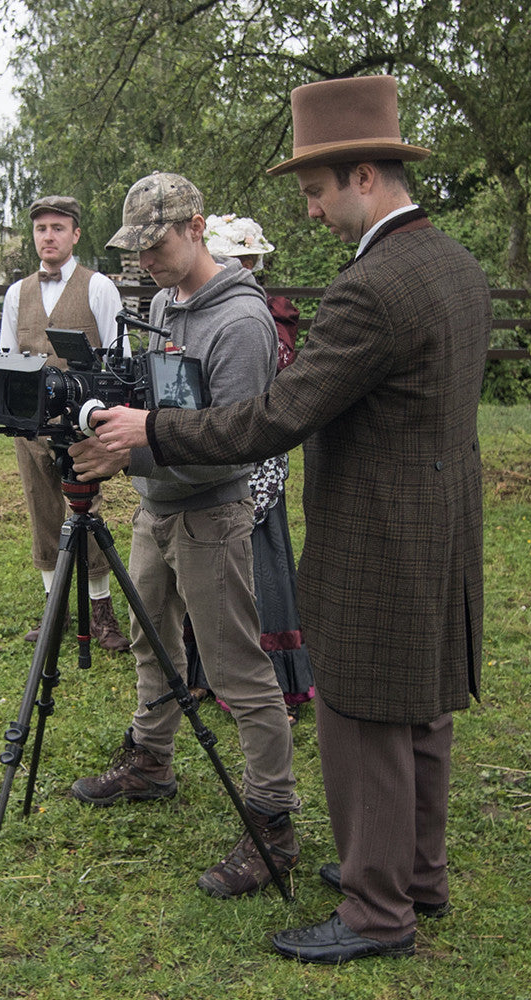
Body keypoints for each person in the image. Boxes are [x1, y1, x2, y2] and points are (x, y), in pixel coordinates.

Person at [77, 77, 491, 964]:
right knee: (420, 710)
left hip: (377, 532)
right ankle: (418, 872)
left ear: (366, 175)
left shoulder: (372, 288)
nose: (309, 212)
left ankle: (379, 912)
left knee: (362, 715)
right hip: (443, 522)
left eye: (316, 191)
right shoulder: (453, 265)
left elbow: (274, 416)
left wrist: (152, 429)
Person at [66, 172, 300, 900]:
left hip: (210, 511)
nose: (146, 262)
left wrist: (129, 453)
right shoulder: (165, 301)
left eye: (157, 244)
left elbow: (237, 442)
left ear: (197, 227)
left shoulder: (242, 323)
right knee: (150, 638)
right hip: (155, 504)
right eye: (134, 250)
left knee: (235, 669)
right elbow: (159, 397)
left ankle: (272, 822)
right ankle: (152, 759)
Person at [187, 214, 315, 721]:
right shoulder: (209, 309)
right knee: (216, 569)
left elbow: (271, 402)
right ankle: (203, 672)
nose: (235, 267)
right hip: (215, 450)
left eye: (243, 261)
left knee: (260, 567)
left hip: (258, 454)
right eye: (228, 259)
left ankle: (270, 685)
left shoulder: (266, 319)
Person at [0, 195, 129, 652]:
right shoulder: (17, 293)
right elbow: (7, 358)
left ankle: (102, 611)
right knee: (42, 512)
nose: (48, 236)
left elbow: (120, 359)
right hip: (31, 425)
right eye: (41, 229)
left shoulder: (99, 288)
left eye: (58, 227)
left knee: (85, 510)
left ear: (75, 234)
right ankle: (54, 610)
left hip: (81, 426)